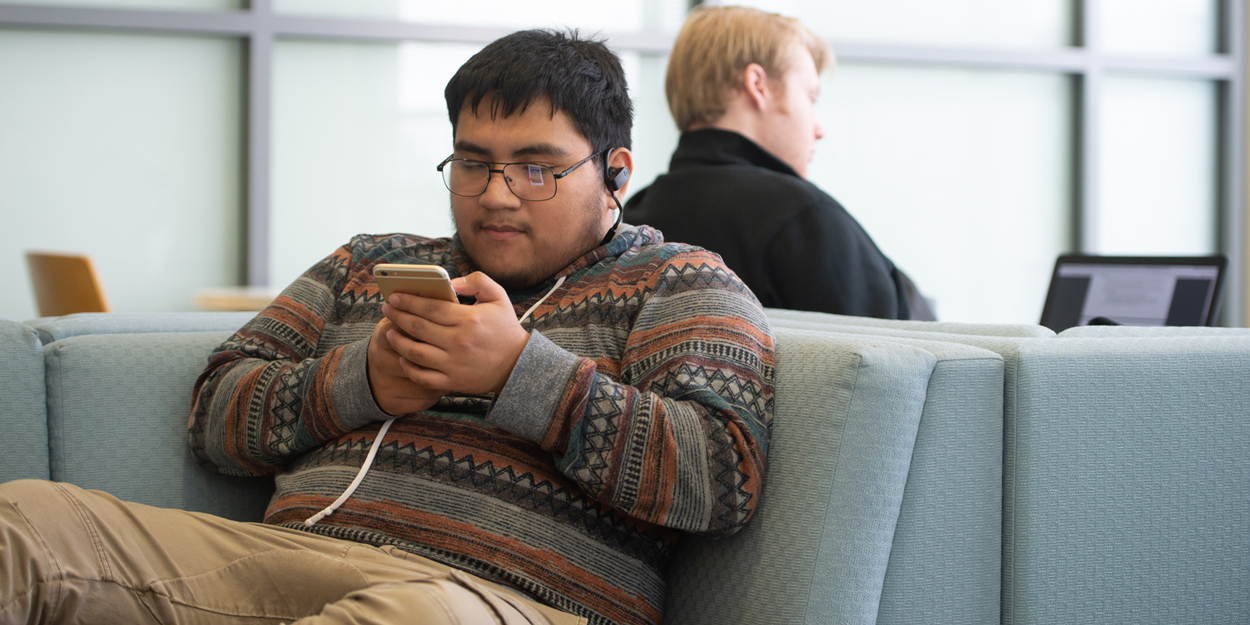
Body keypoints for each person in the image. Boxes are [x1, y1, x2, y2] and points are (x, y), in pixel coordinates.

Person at [0, 30, 774, 625]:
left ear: (616, 172)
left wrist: (518, 375)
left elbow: (721, 476)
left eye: (536, 168)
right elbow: (214, 415)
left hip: (502, 599)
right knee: (28, 520)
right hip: (290, 558)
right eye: (473, 163)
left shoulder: (680, 281)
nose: (497, 194)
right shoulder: (369, 263)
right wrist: (360, 381)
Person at [624, 6, 932, 320]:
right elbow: (902, 356)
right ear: (758, 85)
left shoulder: (632, 222)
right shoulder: (803, 221)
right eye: (810, 97)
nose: (819, 129)